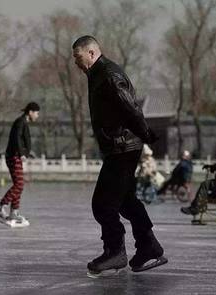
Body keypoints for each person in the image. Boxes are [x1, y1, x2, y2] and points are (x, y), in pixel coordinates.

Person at [72, 36, 166, 276]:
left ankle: (115, 252)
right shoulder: (98, 74)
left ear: (92, 53)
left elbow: (130, 107)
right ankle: (149, 246)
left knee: (103, 205)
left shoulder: (108, 75)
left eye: (78, 57)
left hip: (123, 148)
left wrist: (145, 132)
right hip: (120, 146)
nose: (76, 62)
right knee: (125, 201)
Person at [0, 102, 40, 227]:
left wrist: (25, 153)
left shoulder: (23, 122)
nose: (37, 116)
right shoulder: (20, 122)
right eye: (36, 113)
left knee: (19, 185)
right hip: (14, 156)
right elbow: (16, 138)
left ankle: (14, 211)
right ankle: (1, 207)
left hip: (17, 156)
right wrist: (21, 153)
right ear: (30, 112)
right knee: (19, 184)